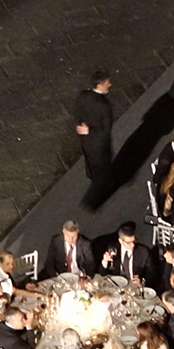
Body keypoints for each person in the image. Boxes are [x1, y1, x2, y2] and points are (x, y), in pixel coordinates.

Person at [74, 70, 115, 207]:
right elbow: (106, 130)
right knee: (101, 168)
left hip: (86, 141)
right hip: (99, 144)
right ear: (100, 85)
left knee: (91, 162)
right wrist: (90, 130)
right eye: (107, 83)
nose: (110, 85)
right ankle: (98, 193)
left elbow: (77, 112)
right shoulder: (104, 106)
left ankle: (93, 178)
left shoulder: (83, 96)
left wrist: (82, 127)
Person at [99, 221, 156, 285]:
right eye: (128, 243)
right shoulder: (113, 249)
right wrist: (105, 261)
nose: (132, 245)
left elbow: (151, 273)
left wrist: (142, 281)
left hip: (134, 285)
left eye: (134, 241)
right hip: (117, 284)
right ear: (120, 241)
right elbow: (103, 274)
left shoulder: (143, 252)